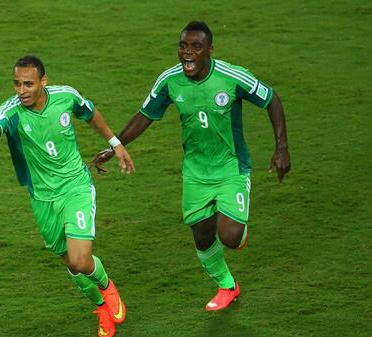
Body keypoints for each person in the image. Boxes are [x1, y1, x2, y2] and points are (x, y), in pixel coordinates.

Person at [92, 21, 291, 311]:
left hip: (230, 167)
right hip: (195, 171)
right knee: (201, 233)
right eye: (183, 46)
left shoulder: (231, 77)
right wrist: (115, 146)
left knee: (231, 237)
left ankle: (237, 230)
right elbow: (144, 115)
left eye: (196, 47)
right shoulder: (170, 81)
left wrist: (281, 147)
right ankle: (227, 285)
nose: (187, 53)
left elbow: (272, 99)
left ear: (210, 50)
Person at [0, 55, 133, 337]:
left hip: (75, 187)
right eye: (17, 84)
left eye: (28, 84)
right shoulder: (12, 110)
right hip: (42, 197)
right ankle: (100, 308)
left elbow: (90, 113)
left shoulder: (66, 96)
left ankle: (107, 287)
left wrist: (115, 143)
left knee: (81, 260)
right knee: (70, 263)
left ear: (43, 81)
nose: (21, 90)